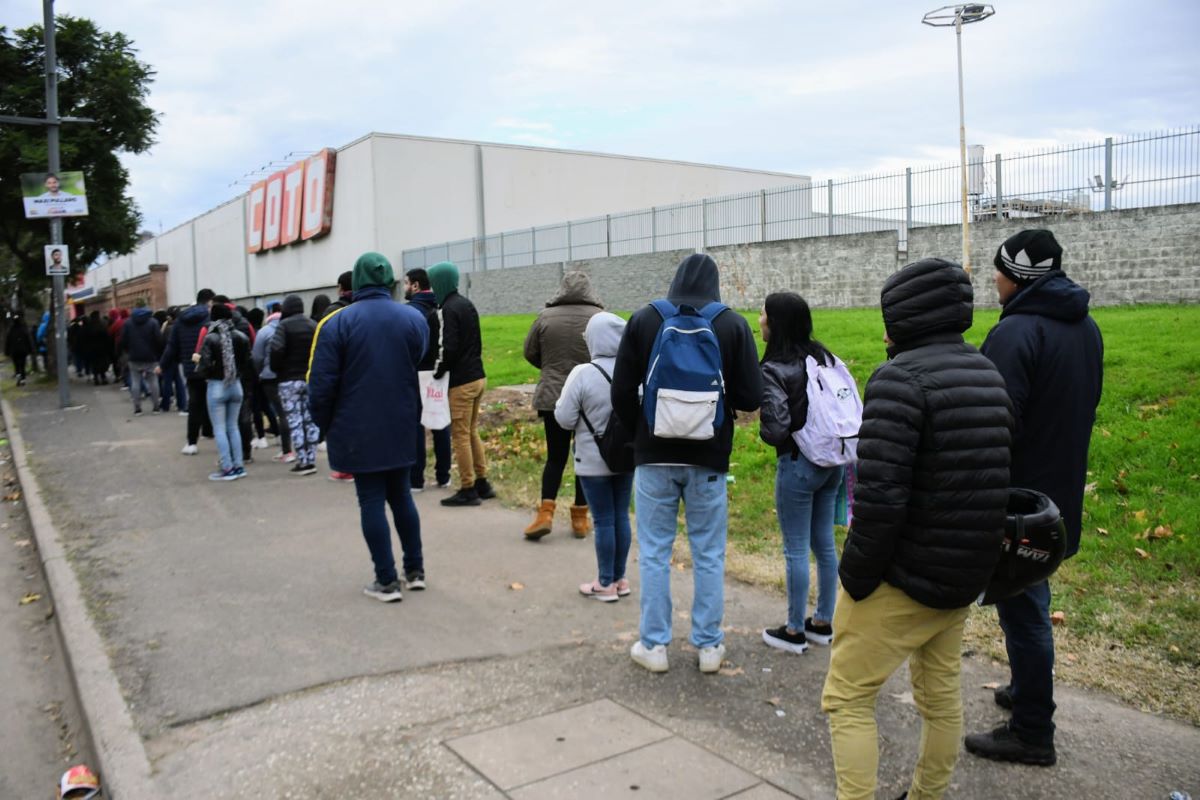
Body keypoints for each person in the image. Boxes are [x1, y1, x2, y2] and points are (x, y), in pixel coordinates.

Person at [820, 257, 1013, 800]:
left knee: (848, 696)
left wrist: (855, 578)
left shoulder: (899, 379)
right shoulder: (986, 372)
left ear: (906, 317)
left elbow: (880, 498)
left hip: (904, 576)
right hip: (963, 573)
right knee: (940, 694)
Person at [964, 230, 1104, 767]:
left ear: (1018, 277)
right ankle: (1026, 689)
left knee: (1024, 610)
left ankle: (1031, 731)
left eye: (999, 271)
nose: (993, 280)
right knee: (1028, 600)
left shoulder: (1016, 332)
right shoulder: (1085, 327)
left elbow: (994, 422)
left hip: (1019, 500)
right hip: (1059, 492)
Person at [610, 253, 762, 673]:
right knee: (708, 553)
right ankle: (709, 647)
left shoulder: (645, 319)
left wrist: (640, 433)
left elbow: (620, 392)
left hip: (653, 457)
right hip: (709, 459)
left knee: (654, 552)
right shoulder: (731, 324)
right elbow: (752, 396)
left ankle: (654, 646)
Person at [308, 252, 429, 602]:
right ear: (390, 279)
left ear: (357, 281)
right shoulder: (413, 318)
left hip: (356, 426)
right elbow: (418, 356)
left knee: (371, 499)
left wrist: (324, 424)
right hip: (402, 419)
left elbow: (321, 384)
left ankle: (386, 580)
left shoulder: (336, 323)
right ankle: (415, 571)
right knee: (402, 495)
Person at [757, 292, 844, 654]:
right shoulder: (824, 357)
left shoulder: (773, 369)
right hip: (833, 462)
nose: (760, 320)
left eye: (764, 314)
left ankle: (794, 630)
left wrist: (763, 428)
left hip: (798, 463)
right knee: (824, 543)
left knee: (795, 548)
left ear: (776, 323)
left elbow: (777, 428)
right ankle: (823, 622)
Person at [555, 312, 633, 601]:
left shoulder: (583, 373)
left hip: (592, 459)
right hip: (626, 456)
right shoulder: (632, 371)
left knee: (603, 521)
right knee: (621, 516)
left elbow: (564, 418)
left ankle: (605, 583)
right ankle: (620, 579)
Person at [522, 271, 603, 539]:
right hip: (588, 397)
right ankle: (580, 518)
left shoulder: (545, 317)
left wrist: (548, 368)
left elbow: (529, 351)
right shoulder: (598, 318)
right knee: (584, 456)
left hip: (552, 396)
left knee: (555, 458)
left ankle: (545, 514)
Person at [428, 261, 495, 507]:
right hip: (478, 377)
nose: (432, 288)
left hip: (461, 382)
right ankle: (482, 482)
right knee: (471, 430)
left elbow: (448, 347)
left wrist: (437, 372)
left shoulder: (447, 309)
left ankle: (468, 488)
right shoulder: (467, 304)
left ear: (440, 282)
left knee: (460, 436)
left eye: (433, 283)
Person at [404, 269, 451, 491]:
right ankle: (443, 476)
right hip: (437, 372)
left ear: (415, 285)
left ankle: (416, 479)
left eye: (406, 283)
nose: (405, 287)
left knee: (416, 425)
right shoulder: (439, 308)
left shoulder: (409, 312)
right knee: (439, 421)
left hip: (416, 372)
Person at [196, 303, 250, 481]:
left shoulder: (211, 337)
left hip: (217, 385)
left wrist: (204, 371)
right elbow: (247, 361)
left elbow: (204, 365)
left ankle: (227, 467)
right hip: (236, 384)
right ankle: (239, 465)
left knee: (219, 428)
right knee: (233, 427)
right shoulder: (241, 336)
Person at [269, 295, 320, 476]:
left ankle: (303, 461)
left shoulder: (283, 326)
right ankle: (311, 459)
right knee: (310, 420)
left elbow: (276, 350)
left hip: (288, 380)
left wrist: (277, 369)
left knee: (295, 420)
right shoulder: (313, 325)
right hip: (310, 378)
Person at [159, 289, 213, 454]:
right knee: (213, 402)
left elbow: (172, 346)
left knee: (195, 404)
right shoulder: (211, 317)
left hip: (191, 368)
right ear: (209, 302)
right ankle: (211, 432)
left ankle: (191, 443)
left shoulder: (181, 320)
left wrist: (162, 365)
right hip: (210, 368)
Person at [252, 303, 293, 463]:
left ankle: (287, 451)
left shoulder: (264, 331)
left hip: (270, 377)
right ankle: (302, 449)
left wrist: (260, 372)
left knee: (281, 413)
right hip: (290, 375)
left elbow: (257, 357)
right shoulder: (290, 329)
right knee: (291, 412)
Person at [119, 298, 163, 415]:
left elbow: (123, 340)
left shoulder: (128, 323)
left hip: (134, 356)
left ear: (135, 307)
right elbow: (159, 340)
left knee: (135, 382)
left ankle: (137, 408)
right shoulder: (153, 322)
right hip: (151, 356)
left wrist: (128, 351)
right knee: (153, 381)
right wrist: (157, 353)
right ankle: (156, 407)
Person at [5, 315, 34, 385]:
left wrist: (7, 351)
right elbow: (28, 340)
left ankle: (18, 377)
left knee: (16, 365)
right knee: (22, 365)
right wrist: (30, 349)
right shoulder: (23, 330)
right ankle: (23, 379)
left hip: (14, 351)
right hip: (23, 351)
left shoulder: (11, 330)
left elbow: (7, 342)